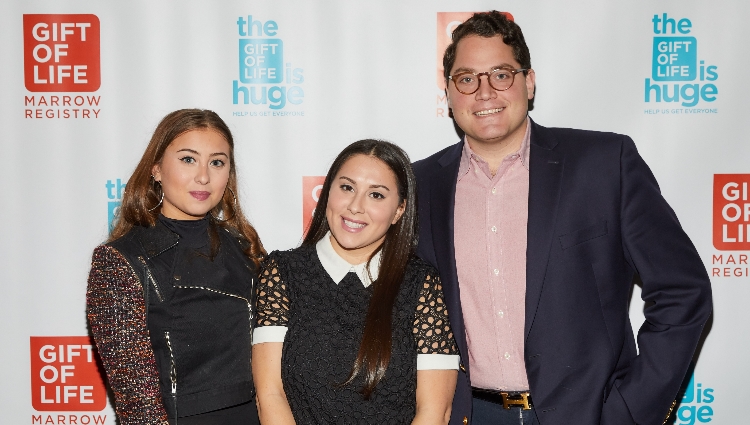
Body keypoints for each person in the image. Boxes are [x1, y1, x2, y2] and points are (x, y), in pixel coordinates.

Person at [413, 11, 712, 425]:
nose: (484, 92)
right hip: (466, 415)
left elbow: (682, 290)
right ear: (449, 92)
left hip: (587, 415)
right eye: (467, 78)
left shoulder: (605, 165)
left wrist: (633, 408)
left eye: (501, 74)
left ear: (528, 82)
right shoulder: (417, 185)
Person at [252, 140, 459, 424]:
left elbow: (435, 411)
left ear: (399, 210)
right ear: (327, 193)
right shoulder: (283, 273)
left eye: (376, 195)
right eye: (347, 187)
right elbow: (270, 395)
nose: (355, 207)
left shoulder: (421, 283)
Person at [87, 109, 265, 425]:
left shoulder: (246, 250)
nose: (203, 176)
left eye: (217, 162)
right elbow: (137, 402)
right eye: (188, 159)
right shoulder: (121, 260)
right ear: (156, 169)